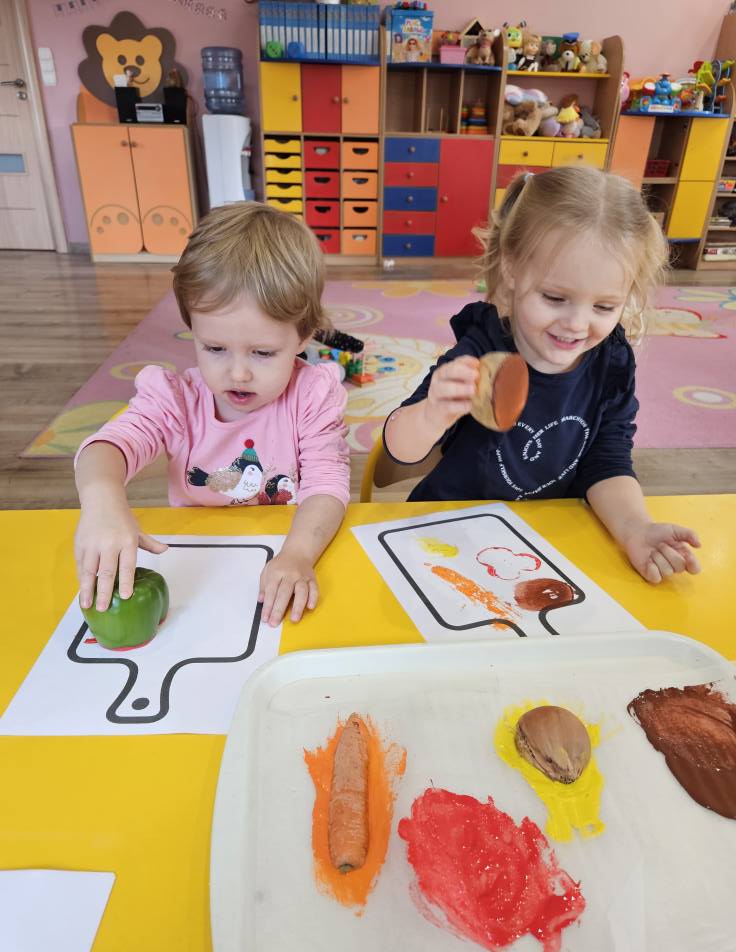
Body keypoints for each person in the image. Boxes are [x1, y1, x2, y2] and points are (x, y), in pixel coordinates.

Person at [383, 166, 701, 584]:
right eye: (555, 297)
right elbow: (397, 452)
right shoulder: (483, 349)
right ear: (512, 269)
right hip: (450, 531)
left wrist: (635, 528)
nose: (577, 324)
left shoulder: (611, 361)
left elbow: (607, 461)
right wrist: (429, 416)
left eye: (604, 307)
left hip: (543, 538)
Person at [74, 202, 350, 626]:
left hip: (287, 552)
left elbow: (327, 484)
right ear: (193, 329)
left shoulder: (312, 395)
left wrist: (298, 554)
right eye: (215, 348)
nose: (238, 373)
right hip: (198, 565)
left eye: (262, 353)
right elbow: (107, 446)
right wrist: (102, 504)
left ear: (302, 338)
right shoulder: (175, 400)